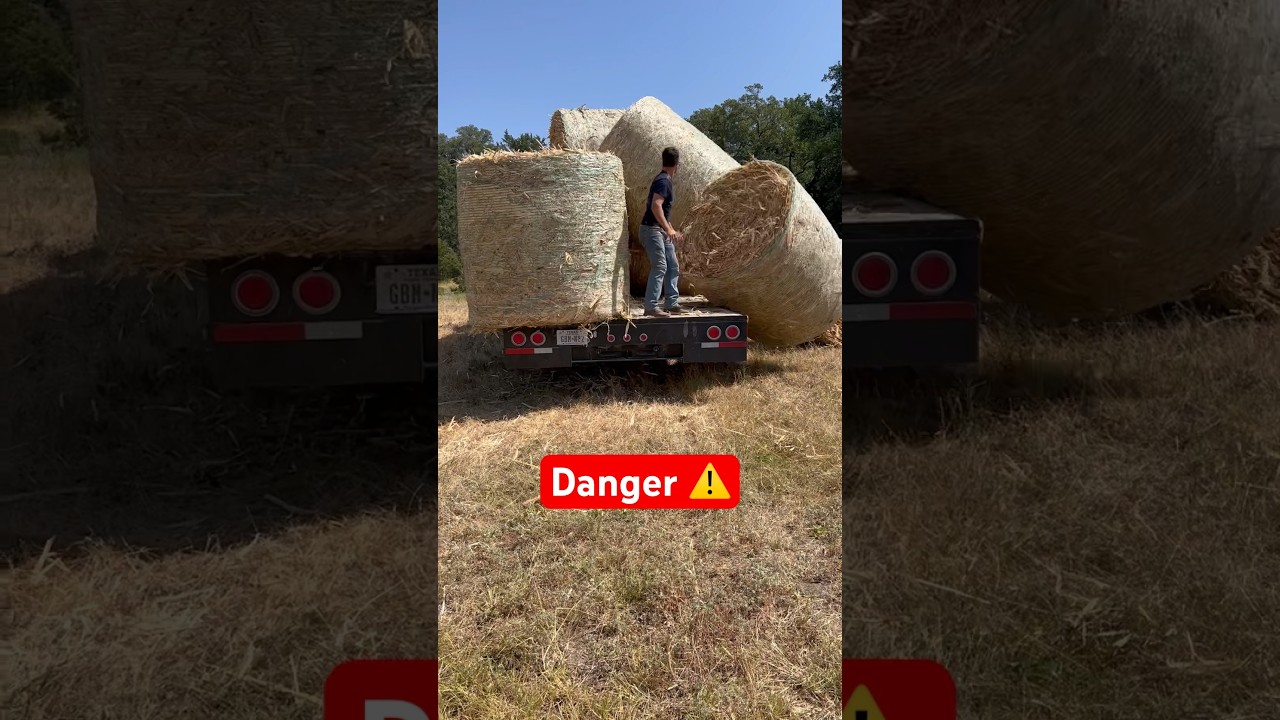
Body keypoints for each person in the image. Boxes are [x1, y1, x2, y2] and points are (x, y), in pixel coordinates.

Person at [638, 146, 687, 317]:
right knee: (660, 266)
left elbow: (663, 211)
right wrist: (667, 229)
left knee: (672, 265)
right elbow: (656, 205)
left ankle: (671, 303)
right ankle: (651, 307)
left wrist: (671, 229)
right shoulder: (664, 181)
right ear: (677, 165)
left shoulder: (663, 179)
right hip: (651, 230)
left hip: (659, 230)